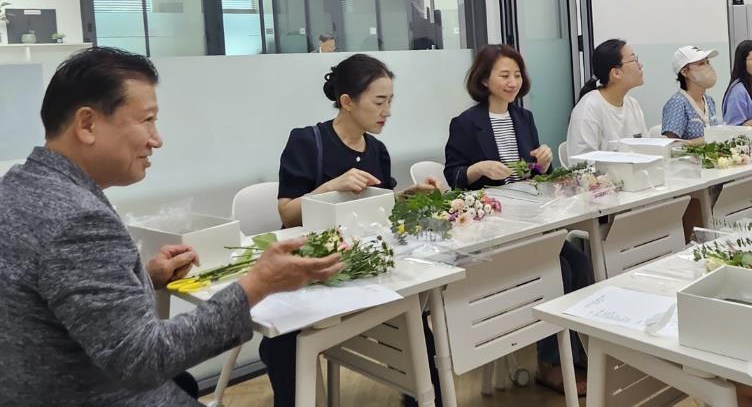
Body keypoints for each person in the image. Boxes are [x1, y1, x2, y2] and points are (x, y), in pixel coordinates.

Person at [0, 47, 339, 407]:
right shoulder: (80, 220)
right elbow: (142, 359)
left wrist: (147, 277)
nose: (156, 139)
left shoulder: (19, 186)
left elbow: (61, 303)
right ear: (87, 124)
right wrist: (257, 284)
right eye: (147, 120)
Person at [264, 54, 444, 407]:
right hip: (315, 272)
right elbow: (286, 214)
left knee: (415, 328)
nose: (387, 111)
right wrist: (334, 187)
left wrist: (408, 196)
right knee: (283, 342)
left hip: (362, 269)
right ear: (347, 102)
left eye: (390, 101)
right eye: (379, 101)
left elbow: (380, 207)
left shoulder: (377, 149)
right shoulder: (308, 141)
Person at [442, 44, 590, 397]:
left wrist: (544, 159)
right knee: (561, 270)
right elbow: (453, 176)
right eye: (504, 75)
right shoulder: (466, 123)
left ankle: (579, 355)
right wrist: (477, 169)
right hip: (497, 226)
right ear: (484, 80)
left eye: (517, 75)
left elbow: (539, 175)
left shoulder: (524, 118)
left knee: (580, 263)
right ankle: (550, 363)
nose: (512, 82)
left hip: (531, 216)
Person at [565, 38, 647, 156]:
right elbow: (581, 163)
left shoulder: (633, 104)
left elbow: (646, 150)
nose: (640, 65)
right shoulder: (588, 108)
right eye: (634, 60)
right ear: (616, 73)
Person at [661, 45, 720, 143]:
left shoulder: (709, 101)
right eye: (701, 63)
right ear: (684, 72)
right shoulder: (678, 103)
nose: (708, 67)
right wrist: (707, 140)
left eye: (707, 62)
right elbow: (671, 145)